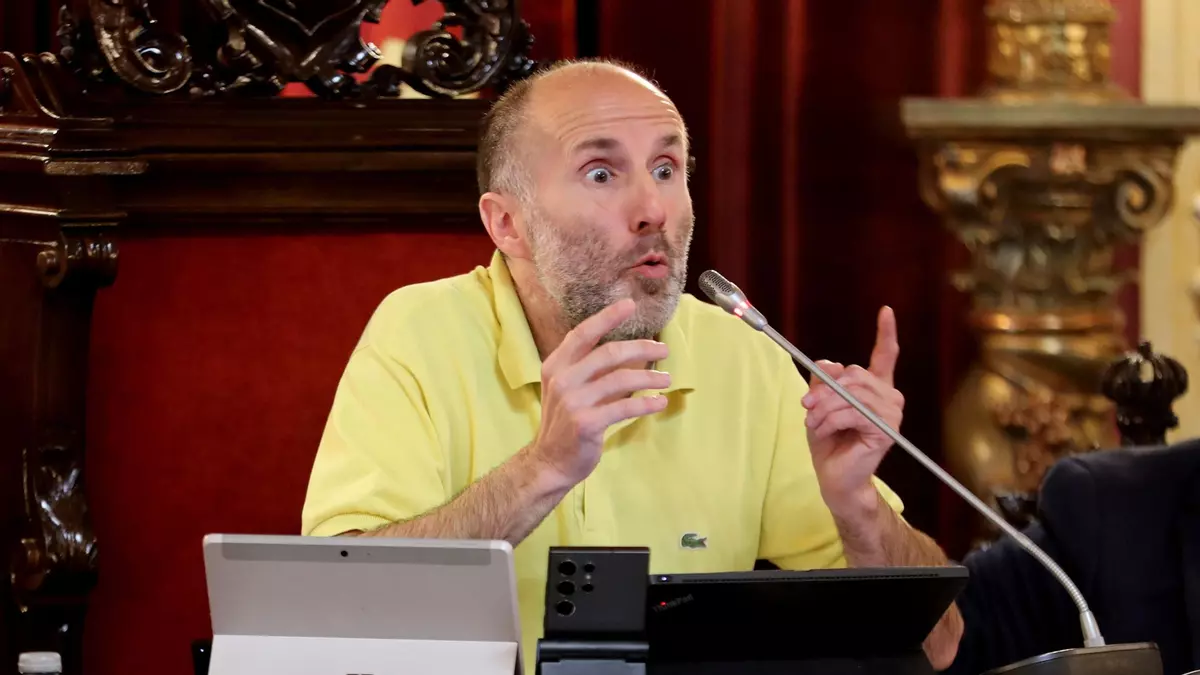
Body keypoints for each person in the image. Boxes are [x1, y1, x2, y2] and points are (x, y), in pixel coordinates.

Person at [301, 58, 963, 671]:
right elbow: (333, 611)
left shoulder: (741, 353)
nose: (653, 211)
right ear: (508, 225)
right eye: (601, 173)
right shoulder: (421, 331)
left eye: (667, 169)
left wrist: (856, 506)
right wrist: (544, 466)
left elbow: (939, 646)